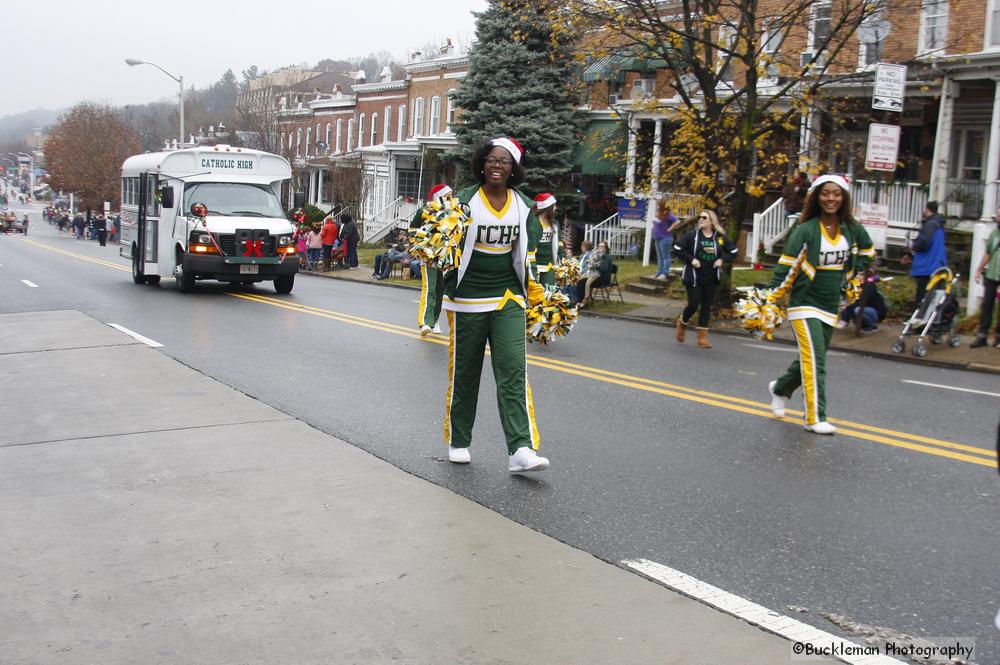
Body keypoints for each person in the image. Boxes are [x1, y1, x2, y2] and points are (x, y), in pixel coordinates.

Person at [441, 136, 548, 473]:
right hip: (468, 297)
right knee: (466, 373)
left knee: (514, 372)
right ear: (482, 163)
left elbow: (530, 254)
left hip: (508, 297)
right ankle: (459, 440)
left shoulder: (522, 205)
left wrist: (540, 294)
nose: (497, 165)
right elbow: (439, 243)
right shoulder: (463, 201)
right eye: (491, 159)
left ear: (513, 167)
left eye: (504, 161)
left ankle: (520, 448)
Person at [767, 174, 875, 435]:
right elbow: (784, 267)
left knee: (813, 357)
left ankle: (781, 388)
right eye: (826, 193)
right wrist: (769, 299)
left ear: (844, 198)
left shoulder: (851, 228)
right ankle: (815, 417)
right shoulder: (805, 230)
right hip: (804, 303)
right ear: (816, 196)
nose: (831, 198)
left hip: (830, 304)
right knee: (816, 361)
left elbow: (868, 250)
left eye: (836, 194)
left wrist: (854, 274)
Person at [672, 209, 737, 348]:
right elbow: (677, 248)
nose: (701, 219)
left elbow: (733, 252)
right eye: (700, 217)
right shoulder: (692, 236)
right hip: (694, 275)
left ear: (711, 221)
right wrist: (691, 260)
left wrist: (722, 260)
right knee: (693, 304)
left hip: (711, 276)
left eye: (704, 217)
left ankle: (702, 338)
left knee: (706, 306)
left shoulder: (719, 237)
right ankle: (682, 323)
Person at [412, 184, 452, 335]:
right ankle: (425, 322)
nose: (450, 198)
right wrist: (422, 245)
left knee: (440, 290)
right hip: (428, 256)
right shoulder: (424, 211)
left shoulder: (450, 213)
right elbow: (412, 229)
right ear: (438, 196)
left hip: (444, 257)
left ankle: (434, 321)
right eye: (447, 195)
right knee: (430, 288)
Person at [905, 200, 948, 310]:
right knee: (932, 296)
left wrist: (912, 246)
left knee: (921, 295)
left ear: (927, 210)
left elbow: (924, 243)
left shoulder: (929, 224)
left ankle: (919, 319)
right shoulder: (939, 225)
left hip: (926, 266)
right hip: (937, 264)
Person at [971, 208, 1000, 348]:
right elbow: (988, 253)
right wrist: (979, 269)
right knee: (987, 305)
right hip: (991, 276)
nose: (997, 217)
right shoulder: (995, 233)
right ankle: (982, 336)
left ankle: (998, 338)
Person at [838, 266, 888, 333]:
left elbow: (863, 301)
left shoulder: (870, 286)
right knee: (847, 305)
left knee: (857, 309)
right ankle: (846, 321)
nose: (863, 276)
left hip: (876, 311)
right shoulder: (858, 285)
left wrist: (847, 307)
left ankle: (872, 326)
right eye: (863, 274)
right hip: (865, 308)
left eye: (868, 274)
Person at [532, 192, 564, 290]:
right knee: (534, 293)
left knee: (550, 291)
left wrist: (563, 259)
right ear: (547, 207)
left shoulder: (554, 224)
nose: (555, 208)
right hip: (534, 264)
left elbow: (559, 244)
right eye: (554, 205)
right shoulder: (532, 222)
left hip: (549, 264)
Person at [577, 240, 611, 308]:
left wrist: (593, 266)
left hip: (603, 278)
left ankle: (585, 301)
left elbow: (603, 269)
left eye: (603, 246)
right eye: (599, 246)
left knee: (585, 283)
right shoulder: (596, 255)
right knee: (581, 281)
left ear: (606, 248)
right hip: (594, 275)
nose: (601, 248)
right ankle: (580, 301)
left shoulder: (607, 257)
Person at [652, 203, 677, 280]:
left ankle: (665, 273)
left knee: (665, 257)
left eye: (658, 206)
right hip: (657, 238)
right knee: (660, 257)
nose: (657, 207)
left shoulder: (667, 214)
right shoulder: (658, 214)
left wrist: (670, 229)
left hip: (665, 238)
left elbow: (677, 221)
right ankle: (659, 272)